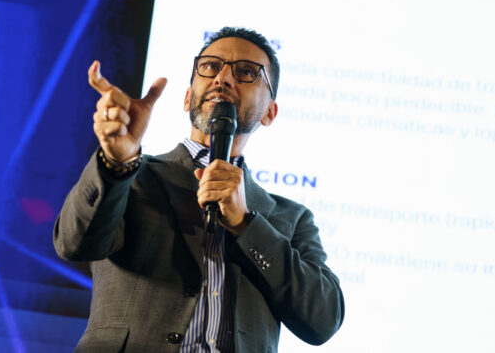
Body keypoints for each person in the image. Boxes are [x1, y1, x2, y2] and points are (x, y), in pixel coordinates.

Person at [54, 27, 344, 352]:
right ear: (187, 97)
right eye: (210, 66)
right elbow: (73, 243)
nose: (223, 78)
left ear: (269, 112)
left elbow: (322, 320)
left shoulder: (291, 217)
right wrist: (116, 163)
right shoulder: (132, 175)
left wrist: (246, 224)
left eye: (246, 72)